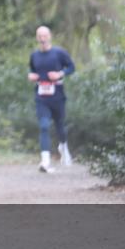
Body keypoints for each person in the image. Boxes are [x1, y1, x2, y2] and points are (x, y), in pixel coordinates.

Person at [27, 26, 75, 172]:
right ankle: (45, 161)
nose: (42, 38)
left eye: (44, 36)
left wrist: (60, 74)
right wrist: (31, 76)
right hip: (41, 96)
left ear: (50, 36)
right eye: (39, 36)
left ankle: (64, 148)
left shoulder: (59, 53)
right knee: (44, 126)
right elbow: (32, 71)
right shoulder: (34, 55)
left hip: (57, 96)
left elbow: (71, 67)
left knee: (60, 126)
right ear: (37, 38)